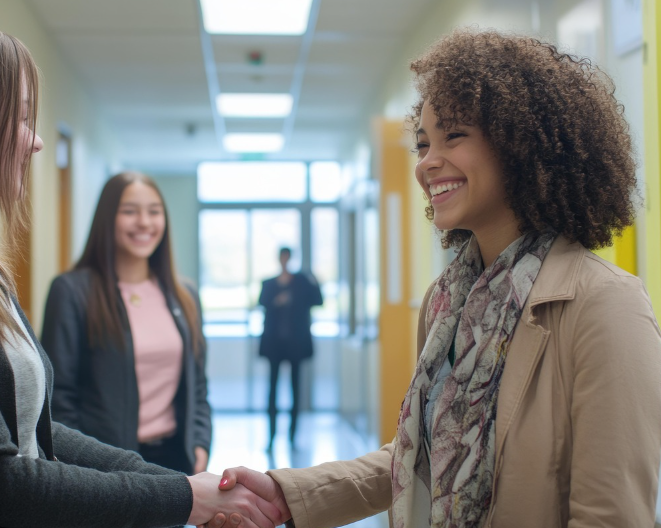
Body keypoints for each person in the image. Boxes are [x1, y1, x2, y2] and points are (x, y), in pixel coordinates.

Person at [0, 11, 282, 528]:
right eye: (22, 117)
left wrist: (178, 485)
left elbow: (41, 431)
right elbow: (3, 484)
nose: (35, 142)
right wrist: (185, 498)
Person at [215, 28, 661, 528]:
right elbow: (419, 455)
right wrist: (285, 494)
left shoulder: (604, 305)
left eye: (454, 135)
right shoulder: (448, 302)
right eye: (423, 143)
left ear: (521, 144)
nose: (427, 162)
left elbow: (612, 516)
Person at [41, 171, 211, 479]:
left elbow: (198, 384)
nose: (144, 222)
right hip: (106, 468)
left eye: (154, 211)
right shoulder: (72, 292)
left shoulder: (184, 296)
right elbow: (59, 396)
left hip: (175, 461)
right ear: (107, 218)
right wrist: (84, 467)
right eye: (130, 211)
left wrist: (200, 442)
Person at [257, 247, 322, 450]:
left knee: (295, 389)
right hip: (275, 346)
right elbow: (262, 303)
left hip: (295, 346)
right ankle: (271, 437)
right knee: (272, 391)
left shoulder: (302, 282)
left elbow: (318, 300)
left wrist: (313, 279)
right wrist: (277, 302)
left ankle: (293, 437)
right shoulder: (269, 284)